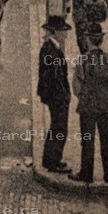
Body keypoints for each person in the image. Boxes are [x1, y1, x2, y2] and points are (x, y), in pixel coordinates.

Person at [70, 26, 108, 184]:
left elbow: (76, 87)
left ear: (88, 40)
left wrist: (84, 96)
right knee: (107, 140)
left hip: (88, 106)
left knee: (87, 140)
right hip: (106, 107)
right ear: (101, 40)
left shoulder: (83, 61)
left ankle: (86, 173)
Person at [37, 15, 73, 174]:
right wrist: (65, 96)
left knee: (55, 127)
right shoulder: (52, 52)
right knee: (60, 129)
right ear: (53, 32)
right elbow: (56, 78)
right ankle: (53, 161)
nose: (65, 34)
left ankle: (49, 159)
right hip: (56, 97)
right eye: (62, 31)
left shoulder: (50, 48)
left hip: (53, 96)